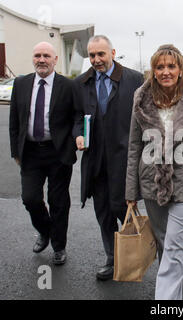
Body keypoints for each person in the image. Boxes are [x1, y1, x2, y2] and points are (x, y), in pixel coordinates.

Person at [125, 44, 183, 300]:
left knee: (174, 244)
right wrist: (131, 191)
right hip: (151, 183)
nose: (165, 71)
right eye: (160, 66)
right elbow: (133, 146)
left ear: (180, 69)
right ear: (153, 71)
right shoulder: (140, 99)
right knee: (165, 244)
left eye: (171, 66)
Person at [72, 35, 144, 280]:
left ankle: (134, 258)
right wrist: (78, 135)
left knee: (122, 208)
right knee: (102, 211)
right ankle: (112, 259)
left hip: (124, 160)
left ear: (113, 52)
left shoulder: (134, 79)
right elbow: (76, 117)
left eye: (101, 54)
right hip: (95, 161)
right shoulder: (82, 83)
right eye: (92, 55)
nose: (96, 60)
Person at [9, 42, 76, 265]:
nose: (41, 59)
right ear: (33, 58)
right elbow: (14, 122)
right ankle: (45, 230)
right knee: (30, 198)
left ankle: (59, 246)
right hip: (30, 153)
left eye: (46, 55)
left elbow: (76, 116)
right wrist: (15, 152)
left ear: (55, 59)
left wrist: (75, 140)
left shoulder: (67, 86)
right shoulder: (21, 83)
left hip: (58, 154)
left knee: (59, 202)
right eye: (37, 55)